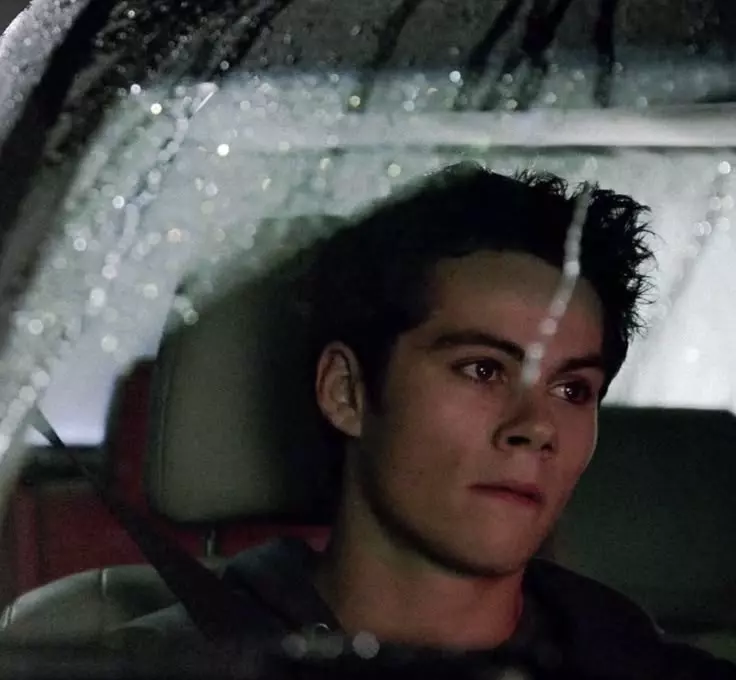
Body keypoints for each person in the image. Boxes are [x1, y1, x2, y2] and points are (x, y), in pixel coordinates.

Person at [113, 163, 733, 679]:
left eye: (572, 389)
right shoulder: (164, 666)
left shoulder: (638, 664)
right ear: (347, 392)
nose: (537, 426)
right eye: (483, 369)